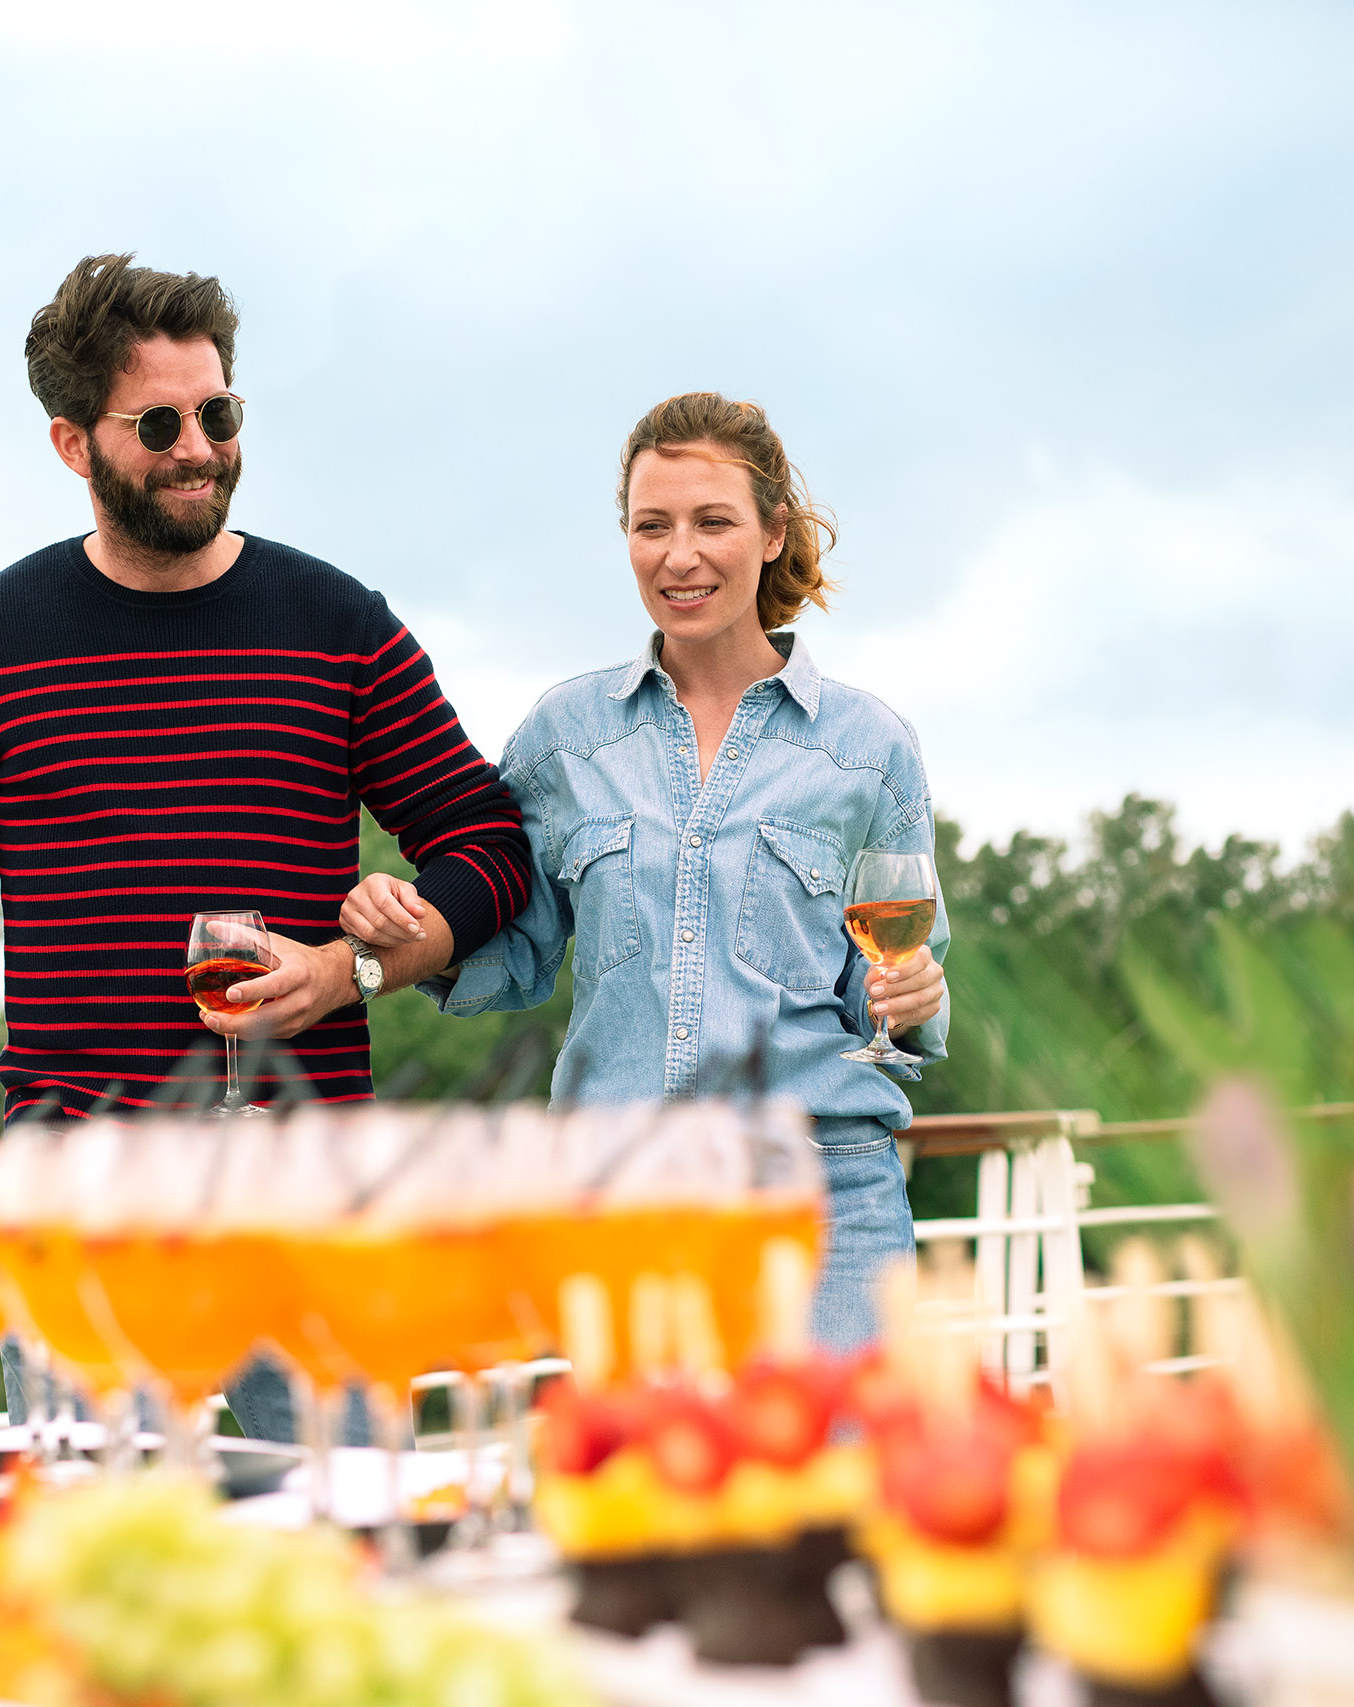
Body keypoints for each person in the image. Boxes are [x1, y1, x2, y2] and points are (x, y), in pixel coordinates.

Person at [0, 254, 531, 1439]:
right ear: (72, 444)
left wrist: (353, 969)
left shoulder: (340, 626)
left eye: (218, 414)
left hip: (309, 1185)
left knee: (341, 1530)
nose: (199, 449)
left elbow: (489, 844)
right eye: (158, 424)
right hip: (74, 1197)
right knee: (93, 1542)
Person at [343, 393, 949, 1350]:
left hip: (823, 1204)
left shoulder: (869, 748)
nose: (680, 555)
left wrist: (911, 996)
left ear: (772, 532)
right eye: (651, 525)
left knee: (832, 1454)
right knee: (638, 1454)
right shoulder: (564, 739)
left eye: (713, 522)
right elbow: (517, 950)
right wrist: (412, 930)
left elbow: (895, 986)